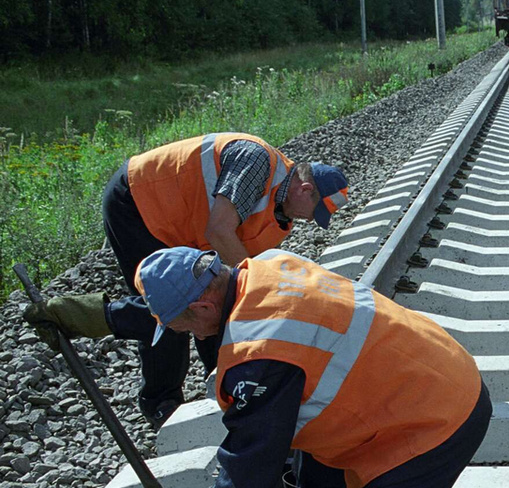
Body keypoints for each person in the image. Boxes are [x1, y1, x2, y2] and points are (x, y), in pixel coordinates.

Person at [134, 247, 509, 488]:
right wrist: (96, 314)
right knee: (308, 469)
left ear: (203, 304)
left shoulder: (260, 351)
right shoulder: (266, 266)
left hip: (436, 422)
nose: (194, 336)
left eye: (186, 327)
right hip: (441, 373)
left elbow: (252, 457)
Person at [22, 133, 349, 428]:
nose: (310, 221)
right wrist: (260, 291)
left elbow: (225, 286)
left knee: (214, 300)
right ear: (305, 189)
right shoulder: (256, 162)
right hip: (141, 203)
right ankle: (159, 401)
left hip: (183, 227)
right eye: (315, 211)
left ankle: (221, 383)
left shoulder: (280, 215)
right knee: (172, 307)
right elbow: (219, 231)